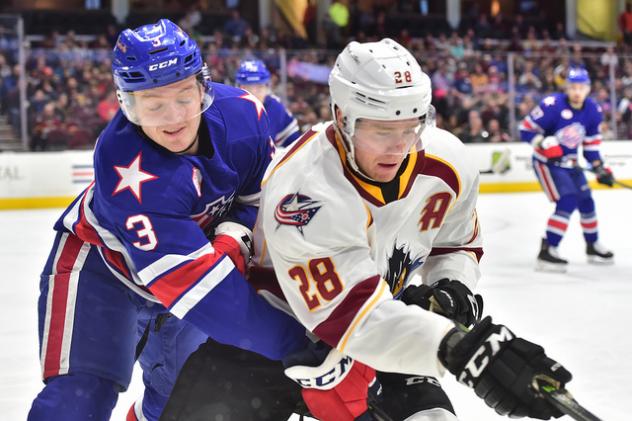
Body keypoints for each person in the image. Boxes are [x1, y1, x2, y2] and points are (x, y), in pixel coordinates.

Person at [161, 39, 572, 421]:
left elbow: (456, 243)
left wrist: (453, 288)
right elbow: (349, 318)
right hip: (270, 340)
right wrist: (463, 351)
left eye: (410, 127)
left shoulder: (448, 163)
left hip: (381, 328)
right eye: (381, 130)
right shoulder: (305, 191)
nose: (398, 146)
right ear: (342, 118)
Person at [27, 19, 309, 421]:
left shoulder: (244, 117)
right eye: (153, 105)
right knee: (78, 399)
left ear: (203, 87)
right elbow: (199, 289)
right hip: (103, 271)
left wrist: (232, 237)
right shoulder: (124, 162)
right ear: (128, 106)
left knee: (181, 402)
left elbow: (260, 203)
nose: (173, 117)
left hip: (195, 267)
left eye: (183, 97)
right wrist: (298, 343)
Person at [519, 67, 615, 272]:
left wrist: (599, 168)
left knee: (587, 201)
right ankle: (548, 250)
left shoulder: (593, 111)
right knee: (567, 200)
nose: (577, 92)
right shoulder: (552, 105)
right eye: (573, 87)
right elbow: (525, 129)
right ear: (567, 88)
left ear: (588, 88)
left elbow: (590, 146)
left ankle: (592, 246)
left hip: (571, 163)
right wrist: (543, 142)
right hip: (547, 163)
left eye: (581, 87)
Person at [235, 59, 300, 147]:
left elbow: (295, 145)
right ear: (238, 88)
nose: (253, 93)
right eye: (248, 88)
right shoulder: (229, 108)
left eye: (259, 87)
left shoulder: (275, 107)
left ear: (267, 87)